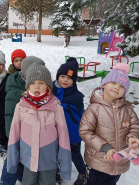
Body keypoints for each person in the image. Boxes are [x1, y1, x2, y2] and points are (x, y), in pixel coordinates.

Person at [79, 63, 139, 185]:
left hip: (119, 163)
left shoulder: (127, 110)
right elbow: (85, 132)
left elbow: (137, 126)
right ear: (104, 85)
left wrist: (134, 137)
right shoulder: (94, 109)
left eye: (121, 86)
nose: (116, 87)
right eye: (113, 83)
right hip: (98, 163)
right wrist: (105, 147)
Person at [7, 62, 72, 185]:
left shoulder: (56, 107)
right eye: (32, 83)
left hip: (48, 161)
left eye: (41, 83)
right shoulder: (20, 106)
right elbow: (14, 135)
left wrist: (64, 166)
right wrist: (12, 161)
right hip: (28, 159)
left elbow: (63, 137)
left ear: (48, 86)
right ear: (28, 86)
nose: (36, 87)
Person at [0, 56, 45, 185]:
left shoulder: (37, 87)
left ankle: (21, 176)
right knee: (13, 159)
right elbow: (9, 115)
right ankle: (6, 182)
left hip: (31, 134)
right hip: (18, 135)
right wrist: (13, 138)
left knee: (23, 159)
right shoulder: (15, 92)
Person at [52, 57, 87, 185]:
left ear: (74, 81)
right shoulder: (51, 91)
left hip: (72, 134)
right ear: (57, 76)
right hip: (54, 131)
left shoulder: (76, 97)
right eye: (62, 76)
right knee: (55, 153)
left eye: (69, 78)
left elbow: (82, 115)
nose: (65, 80)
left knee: (75, 156)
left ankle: (83, 174)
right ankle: (57, 171)